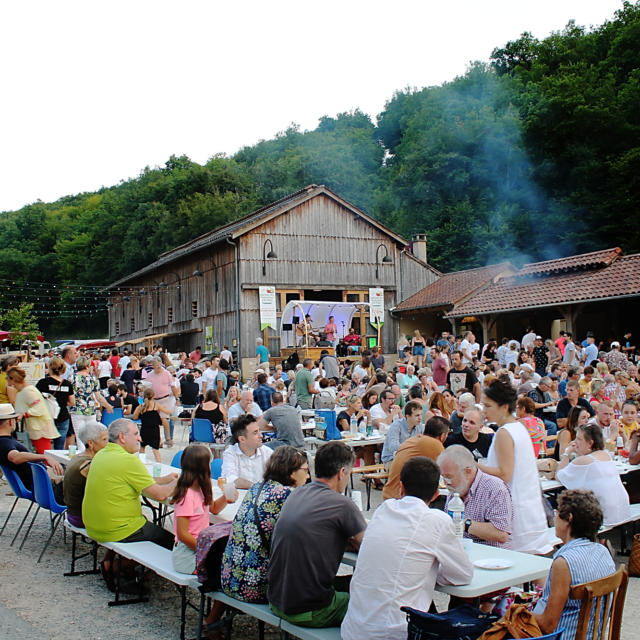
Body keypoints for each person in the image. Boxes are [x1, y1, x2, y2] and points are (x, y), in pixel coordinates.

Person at [341, 457, 473, 640]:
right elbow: (463, 574)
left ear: (401, 487)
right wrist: (427, 571)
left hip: (353, 630)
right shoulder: (437, 521)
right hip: (394, 633)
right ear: (436, 494)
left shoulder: (383, 510)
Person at [268, 441, 366, 628]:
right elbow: (368, 548)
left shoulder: (297, 493)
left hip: (276, 598)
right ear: (341, 473)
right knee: (373, 600)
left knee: (348, 584)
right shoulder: (342, 504)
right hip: (309, 610)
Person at [82, 418, 178, 567]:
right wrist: (178, 483)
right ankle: (119, 568)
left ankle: (111, 562)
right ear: (122, 437)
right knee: (172, 542)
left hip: (94, 526)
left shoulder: (101, 454)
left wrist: (163, 480)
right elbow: (160, 495)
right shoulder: (128, 460)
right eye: (135, 434)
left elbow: (129, 479)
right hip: (118, 529)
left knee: (148, 524)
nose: (139, 438)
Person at [221, 446, 308, 601]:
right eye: (305, 470)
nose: (308, 476)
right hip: (256, 586)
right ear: (291, 472)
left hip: (229, 577)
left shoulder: (257, 487)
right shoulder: (289, 495)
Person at [479, 378, 552, 554]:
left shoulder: (505, 432)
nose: (484, 411)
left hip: (516, 508)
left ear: (503, 407)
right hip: (528, 505)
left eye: (488, 406)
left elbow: (504, 473)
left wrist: (475, 467)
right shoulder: (518, 428)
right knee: (535, 563)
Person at [532, 490, 616, 639]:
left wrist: (518, 614)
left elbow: (548, 625)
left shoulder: (564, 563)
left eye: (557, 513)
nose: (555, 517)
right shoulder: (603, 552)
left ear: (569, 519)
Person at [171, 444, 235, 574]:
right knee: (226, 568)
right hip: (187, 555)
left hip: (200, 546)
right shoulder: (187, 495)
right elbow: (183, 534)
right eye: (209, 463)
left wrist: (226, 497)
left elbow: (214, 509)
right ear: (203, 468)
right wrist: (205, 551)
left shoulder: (201, 489)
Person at [556, 423, 630, 526]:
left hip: (605, 515)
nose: (574, 442)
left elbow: (559, 475)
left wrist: (567, 453)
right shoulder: (606, 454)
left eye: (578, 439)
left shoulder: (584, 461)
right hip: (622, 509)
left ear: (590, 443)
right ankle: (603, 540)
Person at [438, 446, 512, 548]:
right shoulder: (456, 488)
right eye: (443, 477)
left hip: (492, 555)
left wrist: (464, 524)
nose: (446, 482)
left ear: (468, 471)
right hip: (461, 550)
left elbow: (501, 534)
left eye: (449, 477)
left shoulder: (495, 488)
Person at [0, 403, 64, 491]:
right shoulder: (5, 443)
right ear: (11, 422)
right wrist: (44, 456)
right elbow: (14, 457)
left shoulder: (5, 441)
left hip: (41, 487)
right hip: (45, 489)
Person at [382, 416, 449, 500]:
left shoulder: (413, 440)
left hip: (390, 492)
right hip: (401, 497)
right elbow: (448, 470)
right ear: (442, 436)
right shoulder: (434, 444)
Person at [63, 421, 109, 527]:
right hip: (82, 517)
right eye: (104, 440)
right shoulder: (89, 465)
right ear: (91, 443)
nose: (108, 443)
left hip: (72, 513)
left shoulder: (77, 457)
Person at [6, 366, 60, 455]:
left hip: (40, 429)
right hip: (36, 428)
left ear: (13, 379)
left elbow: (39, 409)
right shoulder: (23, 391)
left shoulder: (28, 391)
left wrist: (24, 414)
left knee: (43, 455)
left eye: (8, 378)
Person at [221, 414, 273, 489]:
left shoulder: (267, 452)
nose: (261, 435)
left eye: (259, 431)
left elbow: (277, 478)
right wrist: (256, 487)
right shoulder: (230, 453)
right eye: (255, 432)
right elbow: (229, 478)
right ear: (242, 439)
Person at [35, 356, 75, 450]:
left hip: (46, 416)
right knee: (59, 447)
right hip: (62, 415)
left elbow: (35, 399)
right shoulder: (67, 384)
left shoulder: (43, 382)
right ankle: (58, 463)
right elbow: (72, 402)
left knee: (45, 446)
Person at [70, 356, 113, 439]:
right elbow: (98, 396)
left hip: (77, 409)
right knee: (91, 436)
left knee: (79, 437)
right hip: (90, 409)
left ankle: (82, 451)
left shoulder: (72, 378)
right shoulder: (93, 379)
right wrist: (107, 406)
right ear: (87, 366)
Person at [146, 356, 180, 447]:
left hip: (165, 398)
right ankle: (159, 440)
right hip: (154, 400)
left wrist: (177, 399)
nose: (158, 366)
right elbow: (147, 388)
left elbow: (173, 387)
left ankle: (168, 438)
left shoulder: (167, 373)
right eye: (156, 365)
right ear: (152, 365)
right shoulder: (149, 375)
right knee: (155, 421)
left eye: (159, 364)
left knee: (164, 419)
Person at [133, 387, 170, 463]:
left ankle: (141, 463)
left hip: (144, 429)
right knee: (155, 450)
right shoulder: (156, 405)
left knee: (142, 447)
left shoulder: (140, 407)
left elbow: (135, 417)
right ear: (153, 396)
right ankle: (159, 465)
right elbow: (166, 412)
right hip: (154, 430)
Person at [381, 401, 424, 465]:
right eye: (417, 415)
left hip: (411, 459)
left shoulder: (420, 426)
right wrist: (410, 447)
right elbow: (393, 447)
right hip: (392, 460)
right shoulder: (396, 425)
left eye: (421, 415)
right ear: (408, 416)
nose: (420, 418)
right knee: (411, 469)